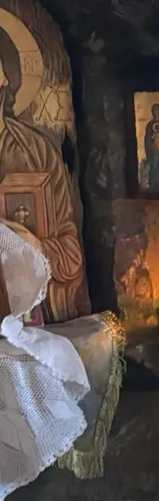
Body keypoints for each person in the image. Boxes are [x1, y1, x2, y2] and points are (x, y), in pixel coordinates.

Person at [0, 34, 86, 322]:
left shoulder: (38, 152)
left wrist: (35, 246)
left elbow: (70, 256)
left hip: (31, 319)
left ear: (5, 87)